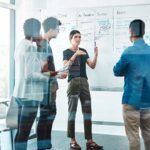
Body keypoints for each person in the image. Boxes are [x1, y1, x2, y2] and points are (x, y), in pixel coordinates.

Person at [113, 19, 150, 150]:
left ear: (131, 32)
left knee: (134, 137)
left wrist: (129, 70)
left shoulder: (129, 52)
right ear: (143, 32)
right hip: (149, 102)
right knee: (149, 135)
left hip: (131, 101)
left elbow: (116, 71)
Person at [63, 30, 103, 150]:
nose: (78, 38)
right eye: (76, 36)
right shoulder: (66, 52)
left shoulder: (84, 51)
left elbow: (92, 65)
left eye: (80, 37)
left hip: (84, 83)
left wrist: (96, 55)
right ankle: (72, 141)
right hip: (73, 83)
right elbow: (65, 67)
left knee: (87, 112)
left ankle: (89, 141)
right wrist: (75, 55)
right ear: (71, 38)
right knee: (72, 112)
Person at [13, 18, 48, 150]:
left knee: (21, 132)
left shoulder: (21, 45)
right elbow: (31, 75)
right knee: (24, 133)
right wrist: (51, 76)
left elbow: (26, 69)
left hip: (19, 93)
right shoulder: (30, 48)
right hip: (30, 96)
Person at [36, 17, 67, 150]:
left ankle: (46, 143)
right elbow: (43, 70)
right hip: (45, 88)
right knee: (45, 115)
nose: (58, 31)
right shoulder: (43, 45)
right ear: (51, 29)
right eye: (57, 29)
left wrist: (56, 74)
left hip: (49, 87)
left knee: (50, 114)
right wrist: (58, 74)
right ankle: (42, 145)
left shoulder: (46, 44)